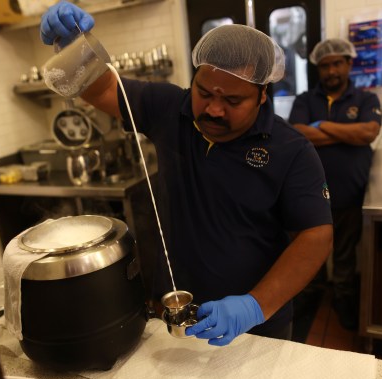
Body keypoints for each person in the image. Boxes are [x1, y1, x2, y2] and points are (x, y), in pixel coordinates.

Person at [40, 1, 333, 346]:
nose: (213, 108)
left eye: (233, 101)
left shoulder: (292, 150)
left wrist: (255, 305)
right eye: (204, 92)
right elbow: (102, 88)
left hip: (259, 326)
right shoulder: (168, 108)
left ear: (262, 95)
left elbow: (315, 236)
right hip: (177, 307)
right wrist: (72, 47)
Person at [288, 38, 382, 330]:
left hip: (351, 194)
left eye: (337, 63)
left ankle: (343, 301)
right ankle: (311, 296)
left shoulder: (366, 99)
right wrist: (345, 133)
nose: (331, 71)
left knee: (344, 256)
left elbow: (368, 133)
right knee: (309, 251)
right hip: (310, 197)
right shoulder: (305, 100)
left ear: (349, 64)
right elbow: (298, 134)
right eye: (325, 65)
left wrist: (321, 127)